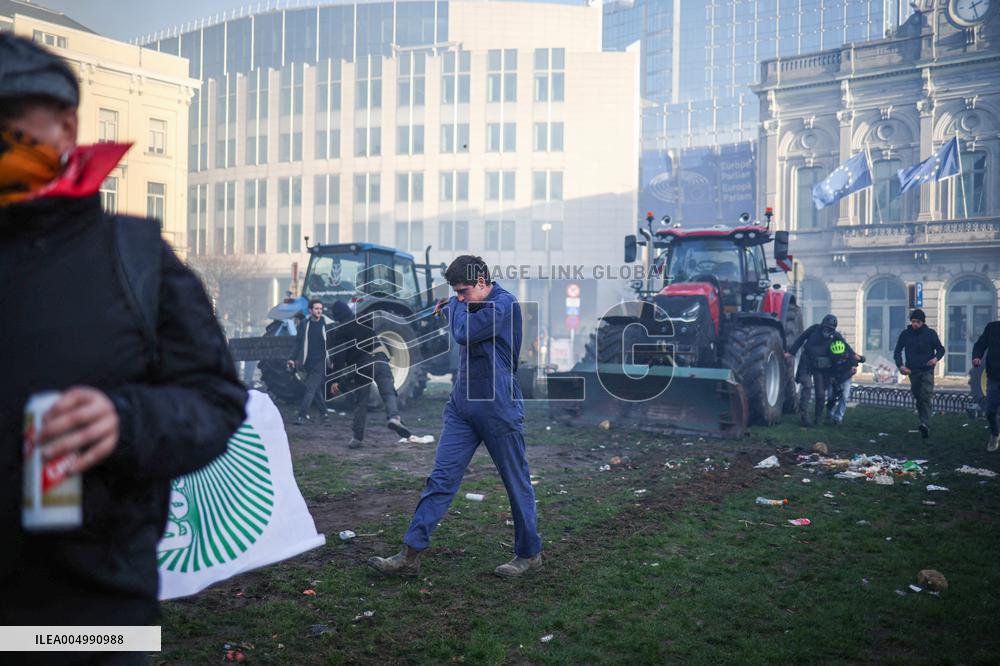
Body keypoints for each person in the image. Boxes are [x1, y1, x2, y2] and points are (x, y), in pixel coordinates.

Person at [0, 33, 247, 659]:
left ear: (65, 126)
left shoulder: (135, 258)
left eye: (6, 120)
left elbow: (215, 399)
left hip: (88, 607)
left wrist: (127, 420)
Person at [368, 256, 542, 578]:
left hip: (498, 407)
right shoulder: (468, 305)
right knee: (440, 480)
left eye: (463, 291)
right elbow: (462, 320)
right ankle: (410, 554)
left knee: (516, 483)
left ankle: (529, 554)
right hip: (462, 408)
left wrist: (451, 306)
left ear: (480, 283)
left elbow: (464, 332)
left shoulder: (503, 305)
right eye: (456, 292)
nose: (460, 296)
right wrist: (455, 305)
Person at [327, 300, 411, 448]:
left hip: (362, 366)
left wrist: (336, 380)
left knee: (361, 402)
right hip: (379, 358)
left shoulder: (340, 331)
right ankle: (394, 417)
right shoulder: (362, 320)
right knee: (388, 392)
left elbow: (339, 358)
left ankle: (357, 438)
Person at [785, 314, 848, 426]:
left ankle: (818, 419)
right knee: (807, 386)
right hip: (807, 363)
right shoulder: (814, 329)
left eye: (830, 328)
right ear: (822, 325)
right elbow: (801, 338)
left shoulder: (836, 336)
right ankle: (804, 415)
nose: (827, 330)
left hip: (821, 368)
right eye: (825, 327)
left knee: (820, 394)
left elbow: (846, 347)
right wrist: (791, 352)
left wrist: (857, 357)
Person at [893, 308, 945, 440]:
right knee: (918, 396)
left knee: (926, 395)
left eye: (917, 322)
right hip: (912, 370)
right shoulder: (905, 334)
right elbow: (897, 351)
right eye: (913, 321)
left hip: (927, 369)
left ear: (923, 322)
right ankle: (923, 418)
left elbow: (940, 349)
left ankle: (925, 423)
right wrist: (901, 366)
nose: (915, 324)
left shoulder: (930, 334)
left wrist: (935, 358)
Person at [288, 299, 333, 426]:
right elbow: (298, 343)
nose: (319, 311)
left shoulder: (328, 324)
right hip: (307, 362)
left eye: (320, 308)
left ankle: (301, 415)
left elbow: (334, 343)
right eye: (316, 308)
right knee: (315, 389)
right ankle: (324, 415)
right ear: (310, 310)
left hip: (321, 362)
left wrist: (334, 360)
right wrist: (292, 358)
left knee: (310, 388)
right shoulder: (304, 324)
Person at [972, 319, 1000, 452]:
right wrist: (977, 356)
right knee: (990, 411)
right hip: (994, 376)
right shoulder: (992, 328)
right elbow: (980, 344)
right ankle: (995, 435)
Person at [824, 340, 865, 426]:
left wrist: (858, 360)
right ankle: (829, 414)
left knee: (844, 396)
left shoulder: (849, 355)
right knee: (831, 396)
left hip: (846, 378)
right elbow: (826, 369)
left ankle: (838, 417)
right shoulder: (828, 357)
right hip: (833, 378)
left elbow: (861, 359)